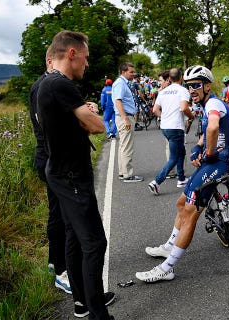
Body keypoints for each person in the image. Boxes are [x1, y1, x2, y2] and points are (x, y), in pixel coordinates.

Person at [36, 30, 115, 319]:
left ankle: (83, 302)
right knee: (94, 243)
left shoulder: (48, 84)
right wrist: (90, 116)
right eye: (85, 57)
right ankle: (98, 313)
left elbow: (75, 119)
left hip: (59, 171)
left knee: (74, 236)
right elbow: (97, 126)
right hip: (71, 175)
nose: (87, 63)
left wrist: (84, 113)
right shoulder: (62, 85)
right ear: (72, 53)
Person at [136, 65, 229, 283]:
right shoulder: (206, 104)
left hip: (219, 162)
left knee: (191, 210)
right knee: (181, 203)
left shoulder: (213, 103)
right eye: (188, 86)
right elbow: (206, 134)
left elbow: (212, 129)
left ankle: (167, 267)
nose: (191, 90)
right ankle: (170, 245)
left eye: (196, 86)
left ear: (207, 86)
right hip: (213, 159)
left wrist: (207, 153)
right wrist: (197, 149)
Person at [28, 47, 71, 295]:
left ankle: (54, 263)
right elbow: (47, 126)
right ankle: (60, 271)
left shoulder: (50, 83)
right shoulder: (43, 85)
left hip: (50, 157)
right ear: (49, 61)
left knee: (58, 212)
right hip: (50, 158)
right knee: (61, 214)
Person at [148, 68, 194, 195]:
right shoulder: (183, 90)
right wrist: (191, 116)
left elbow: (155, 110)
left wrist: (165, 117)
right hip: (176, 127)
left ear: (169, 78)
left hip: (165, 127)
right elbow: (184, 107)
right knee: (174, 157)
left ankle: (181, 178)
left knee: (181, 151)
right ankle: (156, 182)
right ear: (181, 78)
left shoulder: (163, 92)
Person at [112, 62, 144, 182]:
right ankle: (128, 175)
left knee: (123, 146)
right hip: (124, 117)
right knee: (127, 147)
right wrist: (125, 118)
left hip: (123, 116)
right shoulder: (120, 84)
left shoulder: (123, 83)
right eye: (131, 72)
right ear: (123, 72)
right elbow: (118, 101)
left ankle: (123, 172)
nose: (133, 74)